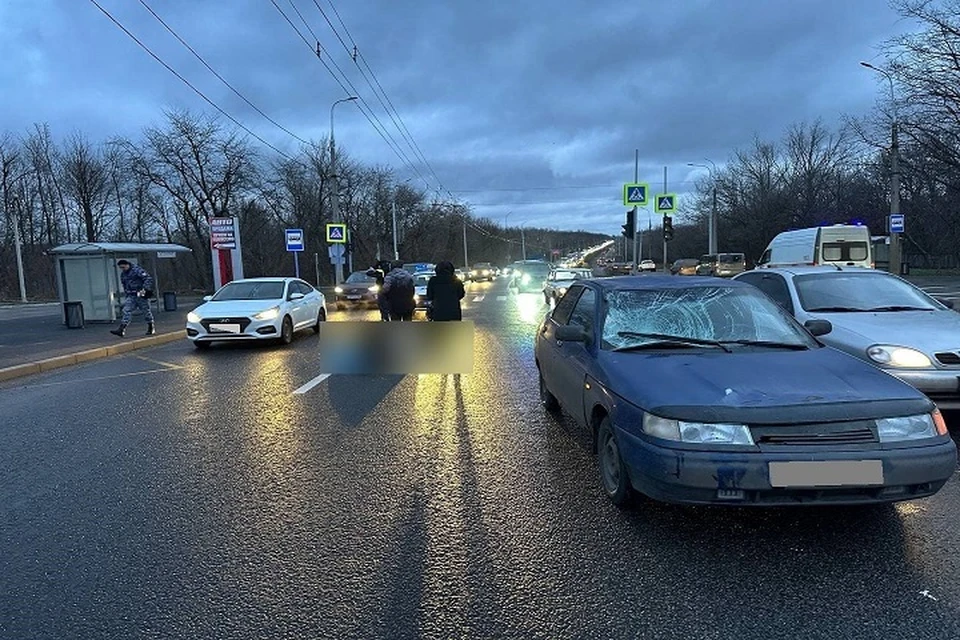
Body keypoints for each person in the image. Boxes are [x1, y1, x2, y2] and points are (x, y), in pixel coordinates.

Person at [111, 259, 155, 337]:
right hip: (131, 295)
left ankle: (151, 326)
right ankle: (122, 329)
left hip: (140, 294)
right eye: (121, 268)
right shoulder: (123, 274)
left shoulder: (137, 270)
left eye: (123, 267)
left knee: (146, 311)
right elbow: (124, 284)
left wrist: (144, 289)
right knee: (126, 310)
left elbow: (148, 278)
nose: (123, 269)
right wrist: (127, 294)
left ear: (127, 265)